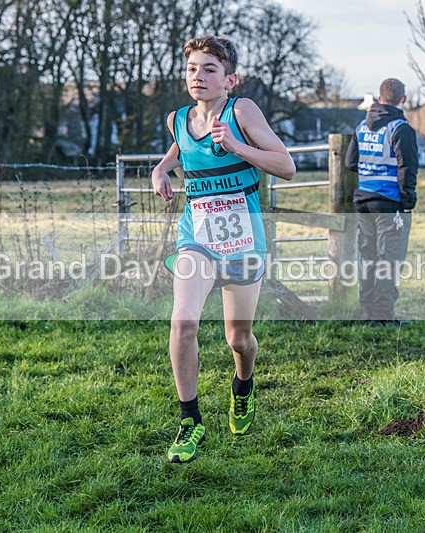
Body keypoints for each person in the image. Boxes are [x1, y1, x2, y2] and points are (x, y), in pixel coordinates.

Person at [151, 35, 295, 463]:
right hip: (197, 237)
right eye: (193, 68)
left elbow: (285, 167)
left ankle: (243, 385)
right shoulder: (178, 118)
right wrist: (161, 169)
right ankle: (190, 421)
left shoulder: (242, 111)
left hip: (244, 240)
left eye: (209, 69)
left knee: (239, 339)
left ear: (229, 79)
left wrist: (236, 146)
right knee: (183, 322)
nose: (199, 76)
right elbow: (181, 149)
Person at [345, 78, 418, 326]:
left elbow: (350, 163)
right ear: (403, 99)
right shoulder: (400, 129)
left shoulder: (361, 127)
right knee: (389, 259)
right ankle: (384, 318)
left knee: (368, 258)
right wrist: (408, 202)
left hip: (364, 202)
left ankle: (367, 314)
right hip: (390, 204)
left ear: (379, 97)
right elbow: (408, 169)